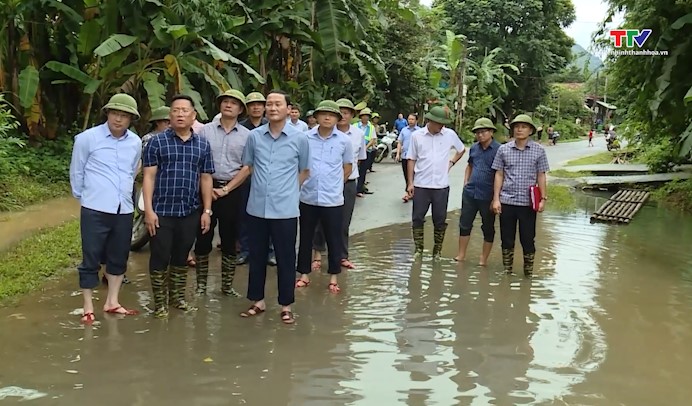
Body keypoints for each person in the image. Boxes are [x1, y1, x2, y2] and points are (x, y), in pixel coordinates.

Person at [237, 90, 310, 325]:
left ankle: (286, 305)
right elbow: (248, 166)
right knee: (256, 256)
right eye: (269, 104)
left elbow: (305, 171)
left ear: (288, 109)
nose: (272, 108)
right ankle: (257, 301)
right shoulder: (255, 137)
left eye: (278, 104)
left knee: (286, 258)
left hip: (286, 210)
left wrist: (288, 191)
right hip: (257, 207)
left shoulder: (300, 139)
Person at [69, 93, 142, 324]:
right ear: (107, 114)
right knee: (91, 256)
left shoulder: (135, 142)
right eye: (114, 114)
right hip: (94, 207)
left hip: (124, 208)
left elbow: (132, 171)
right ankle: (88, 306)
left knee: (119, 255)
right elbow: (77, 171)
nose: (118, 119)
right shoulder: (87, 139)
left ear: (131, 119)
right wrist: (86, 196)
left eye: (124, 116)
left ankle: (112, 301)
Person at [142, 94, 215, 318]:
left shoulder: (202, 144)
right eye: (176, 110)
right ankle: (160, 303)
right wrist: (149, 210)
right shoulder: (157, 141)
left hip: (190, 210)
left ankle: (177, 298)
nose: (180, 114)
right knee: (160, 256)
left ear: (194, 116)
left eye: (185, 110)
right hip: (162, 211)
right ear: (169, 115)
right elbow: (149, 177)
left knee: (181, 255)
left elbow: (205, 178)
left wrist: (206, 211)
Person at [193, 89, 250, 297]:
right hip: (204, 187)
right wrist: (208, 188)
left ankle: (226, 286)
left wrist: (226, 189)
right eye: (225, 101)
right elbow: (196, 160)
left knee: (229, 238)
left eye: (234, 103)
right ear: (220, 105)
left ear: (240, 109)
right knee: (202, 236)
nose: (228, 105)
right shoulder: (204, 131)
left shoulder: (247, 136)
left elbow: (247, 167)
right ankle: (201, 285)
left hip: (233, 190)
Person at [295, 100, 353, 293]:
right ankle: (304, 274)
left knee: (334, 238)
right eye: (323, 114)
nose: (327, 118)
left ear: (338, 118)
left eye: (332, 115)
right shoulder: (305, 138)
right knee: (305, 237)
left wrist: (337, 185)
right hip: (308, 197)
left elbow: (348, 167)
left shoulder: (344, 141)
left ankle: (334, 277)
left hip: (333, 199)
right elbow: (299, 165)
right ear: (316, 117)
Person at [491, 114, 549, 278]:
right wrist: (496, 198)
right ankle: (507, 271)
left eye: (523, 127)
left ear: (530, 130)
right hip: (507, 200)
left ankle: (528, 274)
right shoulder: (504, 149)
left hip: (528, 203)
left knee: (528, 239)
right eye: (516, 126)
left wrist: (543, 199)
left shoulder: (539, 150)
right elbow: (499, 174)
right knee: (507, 239)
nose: (519, 129)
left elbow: (541, 175)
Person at [311, 98, 366, 271]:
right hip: (323, 184)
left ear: (352, 115)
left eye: (347, 112)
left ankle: (342, 256)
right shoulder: (318, 133)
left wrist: (341, 180)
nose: (343, 115)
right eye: (339, 111)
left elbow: (359, 160)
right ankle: (317, 255)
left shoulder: (358, 135)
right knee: (319, 221)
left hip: (348, 183)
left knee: (343, 221)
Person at [407, 106, 466, 259]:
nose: (441, 126)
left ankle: (437, 251)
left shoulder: (449, 135)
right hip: (421, 185)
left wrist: (451, 163)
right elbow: (411, 159)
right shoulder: (417, 136)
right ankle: (419, 249)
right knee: (417, 218)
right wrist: (410, 183)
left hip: (441, 186)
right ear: (430, 121)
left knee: (439, 220)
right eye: (438, 123)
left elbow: (461, 150)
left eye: (443, 123)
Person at [237, 91, 276, 266]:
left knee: (270, 217)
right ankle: (246, 250)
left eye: (260, 104)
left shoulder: (272, 126)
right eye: (252, 104)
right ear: (247, 108)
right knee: (245, 217)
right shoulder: (241, 127)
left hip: (268, 180)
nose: (256, 107)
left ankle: (270, 251)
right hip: (245, 179)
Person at [454, 118, 500, 265]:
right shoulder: (474, 148)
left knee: (487, 226)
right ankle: (461, 255)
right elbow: (470, 165)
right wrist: (466, 182)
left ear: (491, 132)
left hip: (488, 194)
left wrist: (496, 197)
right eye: (477, 132)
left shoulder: (499, 150)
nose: (480, 135)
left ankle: (483, 259)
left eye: (483, 132)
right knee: (464, 224)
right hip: (470, 192)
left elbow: (501, 173)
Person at [395, 114, 420, 203]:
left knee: (415, 175)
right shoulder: (404, 130)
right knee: (407, 175)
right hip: (405, 156)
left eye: (412, 119)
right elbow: (399, 142)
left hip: (416, 158)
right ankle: (409, 191)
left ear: (416, 120)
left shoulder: (420, 131)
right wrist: (398, 154)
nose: (410, 121)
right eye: (409, 119)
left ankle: (412, 193)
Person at [356, 108, 377, 197]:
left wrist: (365, 148)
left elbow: (373, 139)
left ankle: (359, 189)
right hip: (355, 151)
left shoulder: (371, 127)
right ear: (360, 117)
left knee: (363, 171)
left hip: (366, 151)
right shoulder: (355, 125)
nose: (365, 118)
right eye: (363, 116)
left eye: (367, 116)